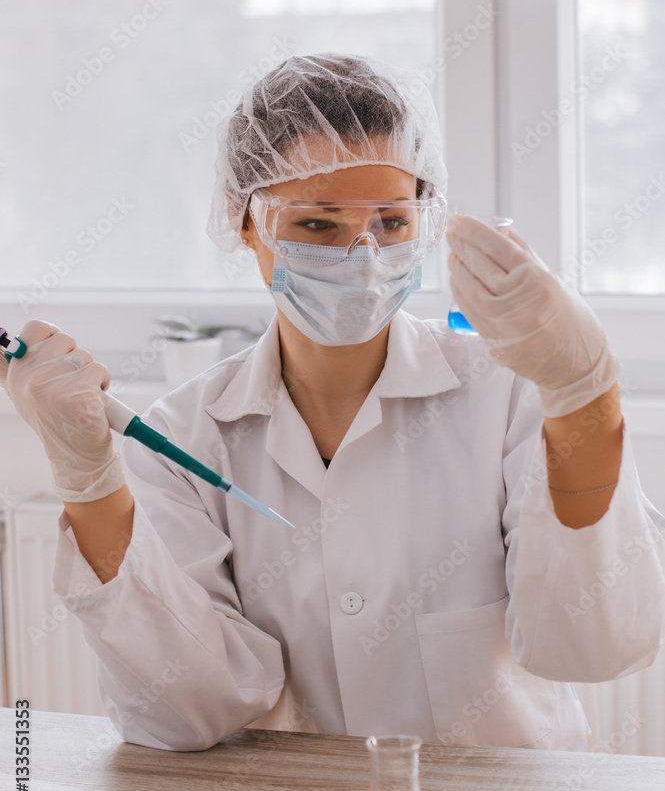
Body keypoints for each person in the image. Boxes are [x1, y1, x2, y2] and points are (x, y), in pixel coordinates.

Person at [2, 52, 664, 752]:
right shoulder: (183, 437)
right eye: (318, 225)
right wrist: (87, 478)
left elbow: (596, 645)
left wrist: (582, 394)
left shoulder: (508, 394)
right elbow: (190, 712)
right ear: (244, 221)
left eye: (391, 222)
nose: (363, 256)